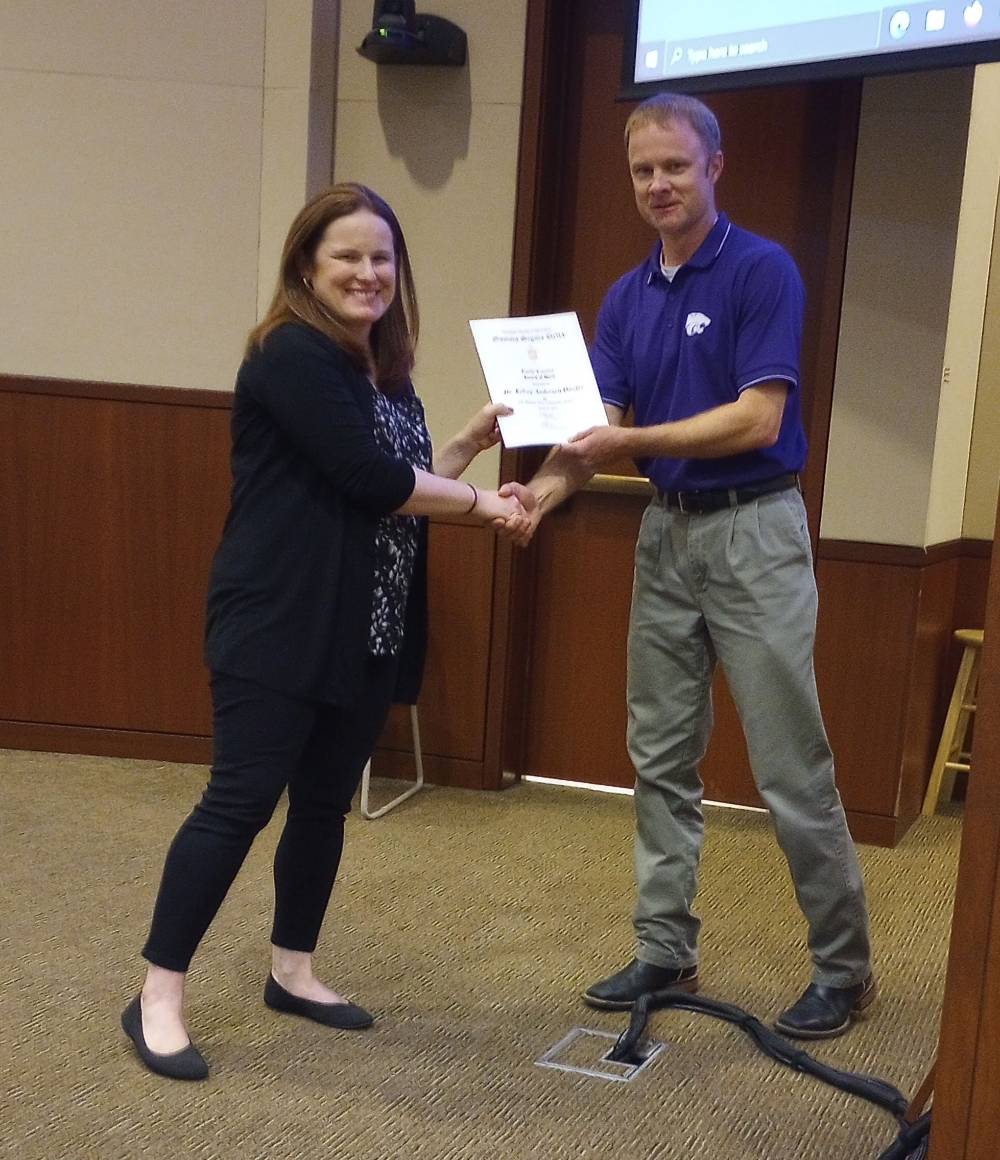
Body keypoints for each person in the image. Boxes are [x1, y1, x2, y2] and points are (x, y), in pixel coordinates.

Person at [121, 182, 526, 1080]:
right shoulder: (290, 356)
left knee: (322, 807)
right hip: (277, 625)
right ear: (307, 263)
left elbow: (398, 482)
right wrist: (483, 504)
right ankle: (157, 994)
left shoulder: (384, 368)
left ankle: (293, 969)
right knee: (239, 805)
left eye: (382, 258)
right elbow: (370, 480)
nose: (368, 273)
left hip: (365, 629)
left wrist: (463, 449)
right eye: (347, 255)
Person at [499, 93, 874, 1040]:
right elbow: (592, 435)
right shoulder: (628, 296)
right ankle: (664, 947)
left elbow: (758, 418)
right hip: (665, 535)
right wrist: (537, 495)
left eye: (675, 165)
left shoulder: (761, 270)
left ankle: (845, 967)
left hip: (755, 531)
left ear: (715, 166)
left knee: (791, 763)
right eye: (642, 171)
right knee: (658, 757)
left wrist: (627, 440)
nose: (658, 184)